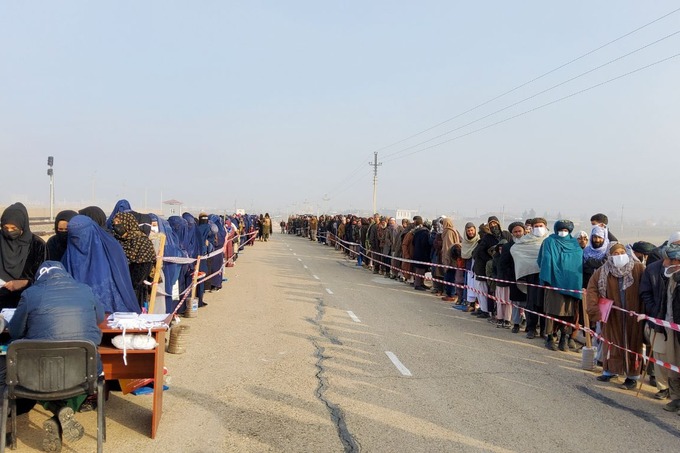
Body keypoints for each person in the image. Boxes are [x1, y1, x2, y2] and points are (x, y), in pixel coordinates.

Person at [4, 261, 106, 452]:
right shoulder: (85, 290)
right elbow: (100, 318)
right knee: (86, 375)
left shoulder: (30, 294)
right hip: (83, 372)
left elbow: (16, 331)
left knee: (40, 377)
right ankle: (62, 411)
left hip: (36, 374)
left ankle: (57, 412)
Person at [586, 243, 645, 390]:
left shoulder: (638, 269)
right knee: (611, 343)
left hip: (633, 315)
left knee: (632, 344)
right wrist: (594, 311)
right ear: (610, 255)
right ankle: (610, 371)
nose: (619, 255)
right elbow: (592, 290)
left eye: (621, 252)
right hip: (612, 316)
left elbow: (646, 290)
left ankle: (632, 376)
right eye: (615, 253)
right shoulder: (602, 271)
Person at [62, 215, 141, 314]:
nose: (78, 241)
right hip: (79, 314)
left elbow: (122, 281)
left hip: (115, 312)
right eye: (74, 238)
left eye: (81, 235)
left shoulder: (111, 248)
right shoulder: (68, 256)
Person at [538, 220, 583, 351]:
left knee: (569, 313)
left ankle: (564, 337)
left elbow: (577, 263)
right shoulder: (549, 241)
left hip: (571, 284)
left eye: (566, 230)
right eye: (561, 229)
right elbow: (544, 259)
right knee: (552, 311)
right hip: (553, 282)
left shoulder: (575, 244)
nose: (563, 232)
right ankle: (551, 337)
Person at [0, 202, 46, 309]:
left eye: (14, 228)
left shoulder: (37, 245)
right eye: (5, 228)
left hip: (26, 303)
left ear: (23, 227)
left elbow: (45, 277)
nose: (9, 231)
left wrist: (24, 283)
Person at [653, 237, 680, 412]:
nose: (663, 264)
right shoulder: (669, 278)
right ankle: (676, 398)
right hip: (669, 327)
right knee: (672, 364)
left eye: (667, 260)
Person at [511, 217, 549, 339]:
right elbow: (515, 250)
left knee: (545, 304)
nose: (538, 228)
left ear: (545, 226)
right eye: (536, 226)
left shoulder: (550, 240)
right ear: (531, 228)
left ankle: (544, 330)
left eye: (541, 226)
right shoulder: (524, 241)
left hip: (546, 276)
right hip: (531, 276)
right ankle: (531, 328)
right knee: (532, 303)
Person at [441, 218, 461, 302]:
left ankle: (451, 294)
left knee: (450, 277)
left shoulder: (449, 232)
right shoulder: (452, 231)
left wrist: (446, 259)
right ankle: (450, 293)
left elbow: (448, 247)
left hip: (450, 259)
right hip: (451, 258)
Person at [460, 223, 480, 311]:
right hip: (468, 265)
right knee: (469, 284)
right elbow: (464, 254)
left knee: (477, 286)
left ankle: (478, 305)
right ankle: (471, 304)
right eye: (468, 231)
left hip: (477, 266)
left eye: (472, 230)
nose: (470, 232)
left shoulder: (478, 240)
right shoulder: (465, 241)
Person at [411, 217, 431, 290]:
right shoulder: (426, 233)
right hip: (423, 254)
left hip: (417, 253)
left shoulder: (417, 232)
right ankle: (418, 284)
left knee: (420, 270)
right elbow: (426, 244)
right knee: (420, 270)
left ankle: (421, 283)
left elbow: (413, 243)